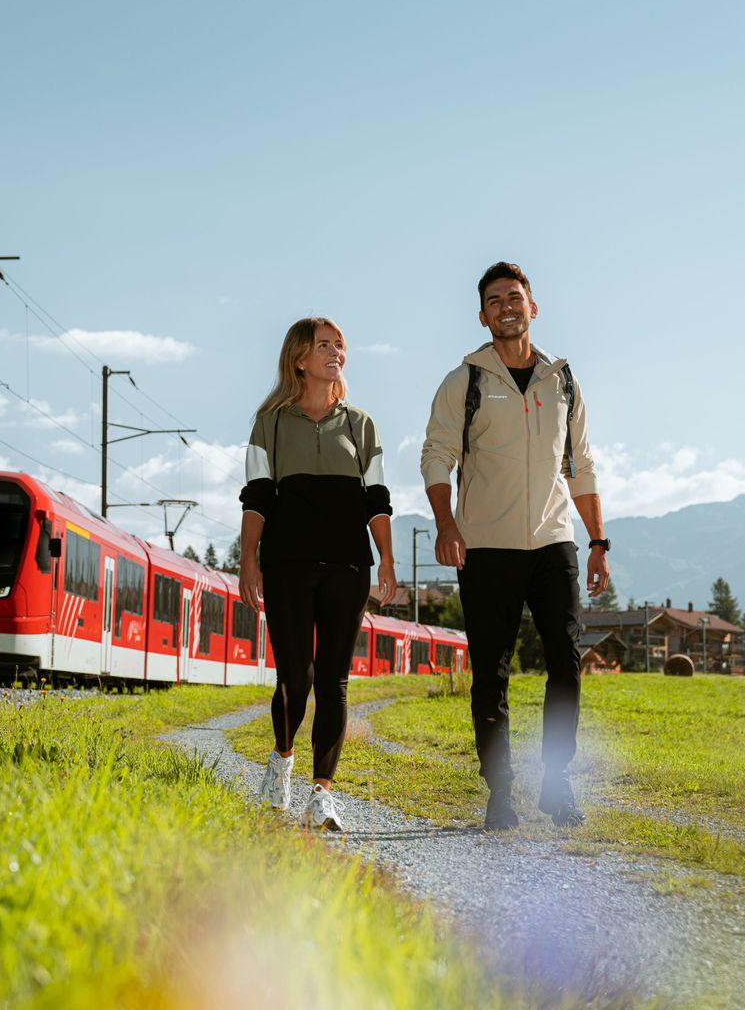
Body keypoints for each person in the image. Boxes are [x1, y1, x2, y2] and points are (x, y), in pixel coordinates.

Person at [419, 262, 608, 830]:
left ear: (533, 308)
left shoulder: (564, 381)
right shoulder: (465, 381)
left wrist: (598, 540)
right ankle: (500, 791)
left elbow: (581, 466)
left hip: (555, 541)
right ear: (483, 315)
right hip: (487, 547)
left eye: (516, 297)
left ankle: (557, 781)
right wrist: (447, 526)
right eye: (495, 300)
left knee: (566, 665)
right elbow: (436, 456)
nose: (507, 306)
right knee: (491, 674)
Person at [238, 317, 397, 831]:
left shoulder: (361, 424)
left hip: (348, 565)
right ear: (300, 358)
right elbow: (258, 496)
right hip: (286, 563)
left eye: (339, 346)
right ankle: (282, 759)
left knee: (334, 682)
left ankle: (322, 793)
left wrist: (387, 560)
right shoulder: (271, 423)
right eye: (323, 345)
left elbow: (376, 500)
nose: (335, 353)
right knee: (294, 679)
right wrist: (248, 560)